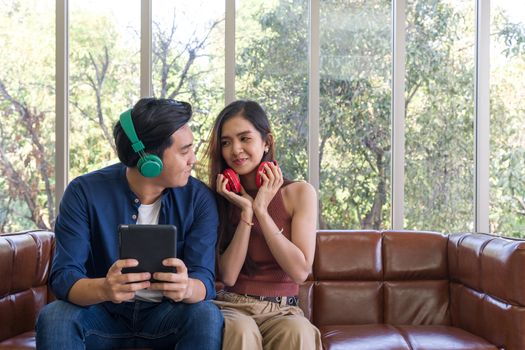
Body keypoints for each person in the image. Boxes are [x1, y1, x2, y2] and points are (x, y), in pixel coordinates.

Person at [36, 98, 223, 349]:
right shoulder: (83, 192)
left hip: (167, 316)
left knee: (206, 314)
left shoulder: (198, 199)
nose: (194, 160)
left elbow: (205, 279)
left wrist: (187, 288)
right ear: (150, 159)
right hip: (102, 315)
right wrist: (104, 288)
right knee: (54, 315)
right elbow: (64, 277)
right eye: (184, 151)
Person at [206, 100, 321, 349]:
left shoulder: (300, 193)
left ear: (266, 141)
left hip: (283, 310)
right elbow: (229, 275)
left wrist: (261, 210)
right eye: (226, 142)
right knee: (241, 332)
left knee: (298, 332)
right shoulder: (219, 196)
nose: (235, 150)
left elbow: (300, 272)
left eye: (244, 138)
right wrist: (246, 210)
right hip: (233, 306)